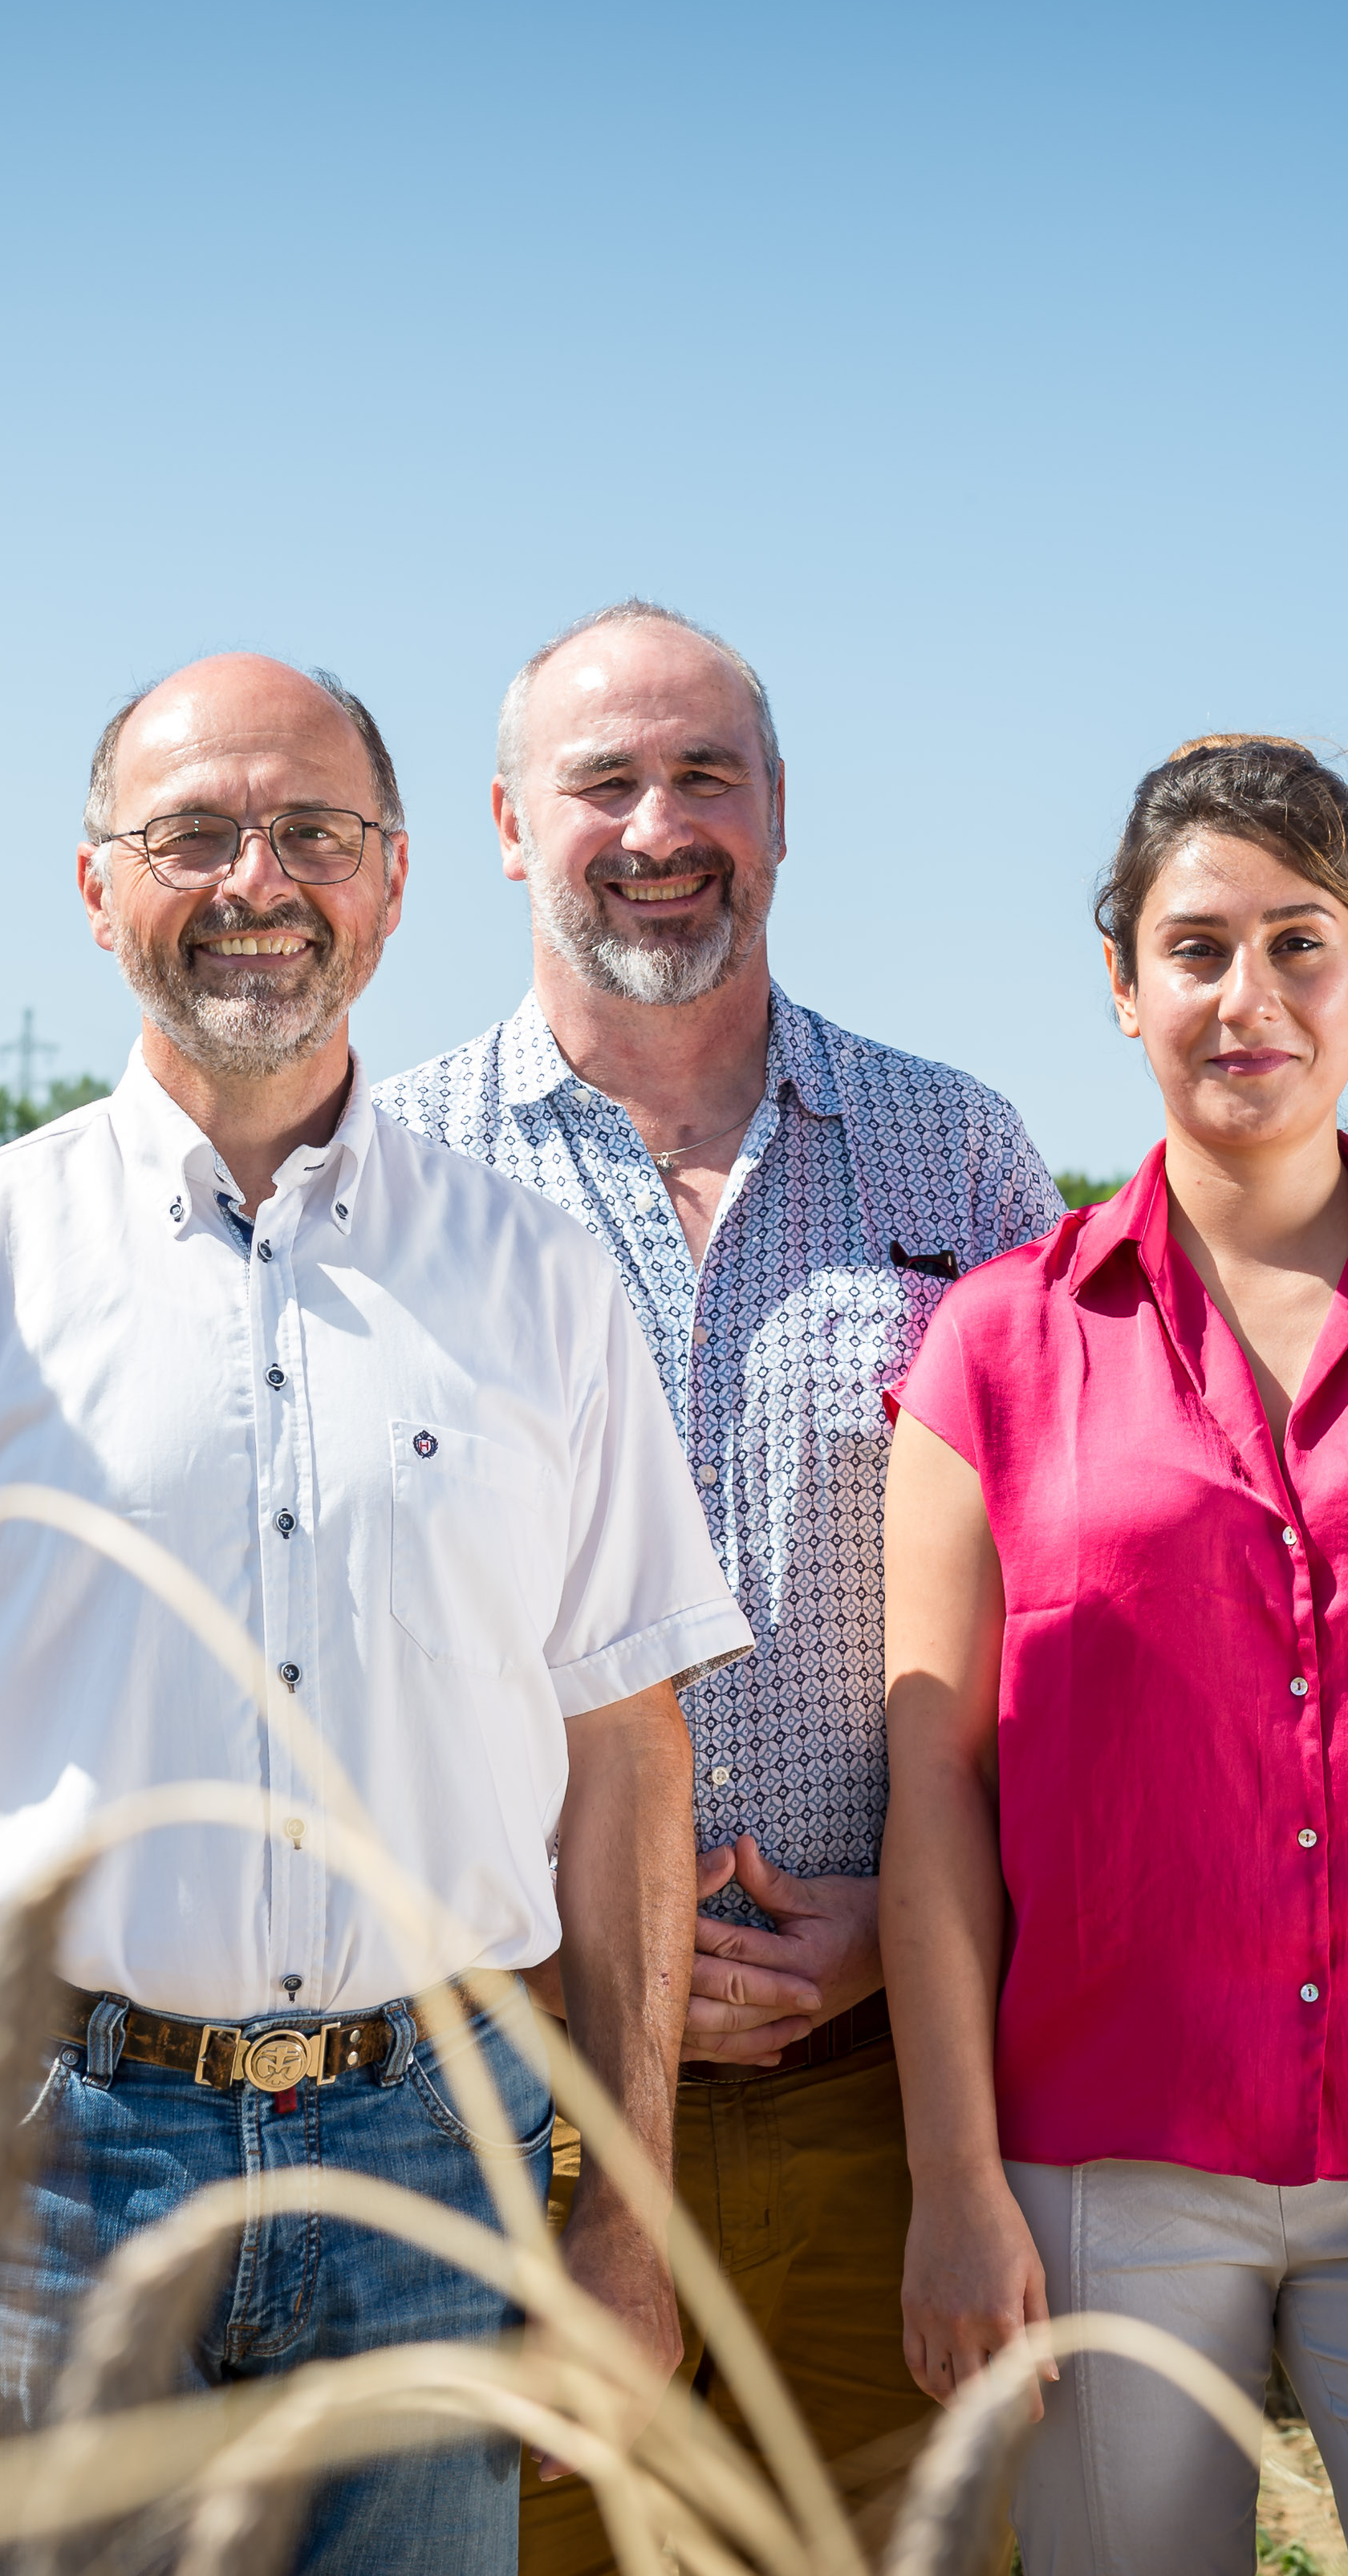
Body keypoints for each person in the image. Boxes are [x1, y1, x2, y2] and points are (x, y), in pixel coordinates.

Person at [0, 652, 745, 2574]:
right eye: (191, 833)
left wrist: (626, 2211)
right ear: (95, 888)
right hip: (40, 2158)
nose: (257, 878)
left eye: (314, 831)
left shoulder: (536, 1281)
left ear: (399, 875)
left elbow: (623, 1752)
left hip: (439, 2153)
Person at [885, 738, 1348, 2574]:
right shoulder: (995, 1344)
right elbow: (936, 1782)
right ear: (1122, 981)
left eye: (1299, 943)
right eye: (1198, 946)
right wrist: (954, 2177)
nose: (1249, 999)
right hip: (1097, 2178)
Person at [378, 600, 1065, 2568]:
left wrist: (912, 1939)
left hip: (892, 2099)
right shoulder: (391, 1170)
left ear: (780, 814)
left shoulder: (958, 1155)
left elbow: (1063, 1606)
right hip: (509, 2110)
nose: (656, 822)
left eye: (706, 776)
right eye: (601, 781)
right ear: (510, 827)